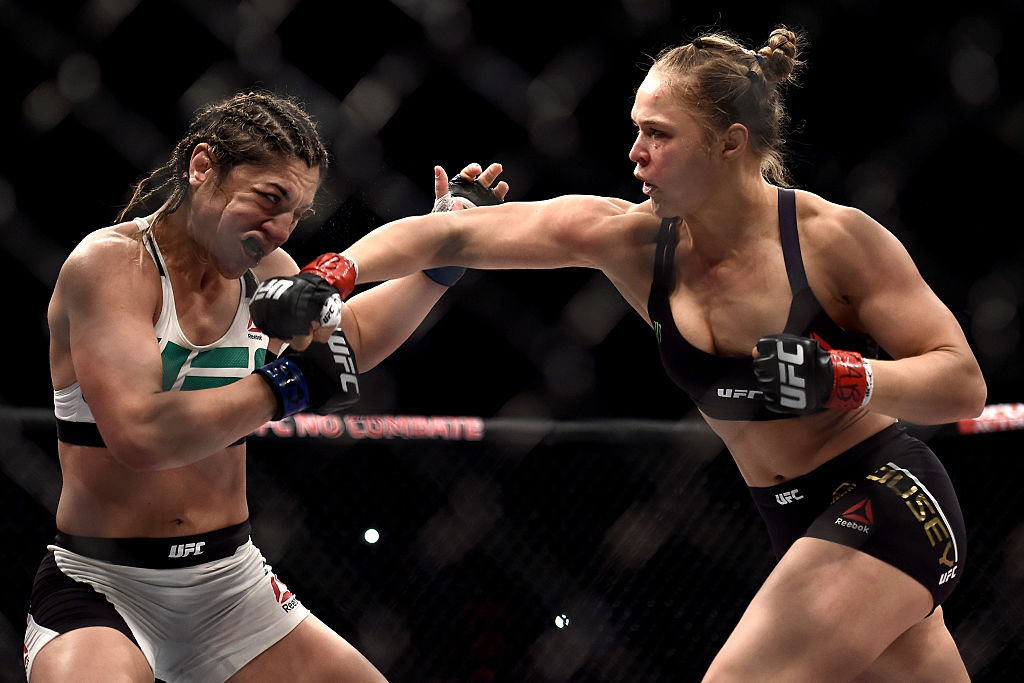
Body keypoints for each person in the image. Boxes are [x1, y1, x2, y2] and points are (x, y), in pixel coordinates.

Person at [253, 27, 988, 681]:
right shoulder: (633, 242)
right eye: (635, 129)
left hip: (886, 497)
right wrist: (328, 276)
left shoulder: (831, 240)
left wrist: (843, 377)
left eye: (659, 134)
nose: (635, 153)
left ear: (730, 142)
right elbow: (449, 236)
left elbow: (961, 382)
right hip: (790, 517)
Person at [23, 90, 507, 682]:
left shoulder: (264, 273)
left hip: (229, 584)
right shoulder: (112, 267)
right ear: (202, 168)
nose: (278, 230)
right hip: (103, 586)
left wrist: (437, 264)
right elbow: (139, 434)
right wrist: (285, 387)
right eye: (268, 199)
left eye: (296, 214)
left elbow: (344, 340)